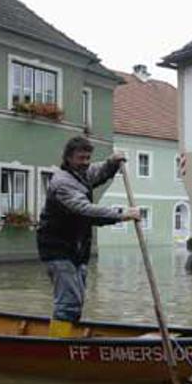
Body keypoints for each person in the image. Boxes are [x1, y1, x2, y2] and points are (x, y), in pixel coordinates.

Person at [36, 136, 141, 337]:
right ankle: (58, 346)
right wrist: (122, 215)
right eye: (80, 158)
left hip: (77, 249)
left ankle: (67, 336)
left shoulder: (81, 173)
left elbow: (98, 171)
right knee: (68, 301)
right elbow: (85, 210)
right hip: (57, 249)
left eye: (87, 158)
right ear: (68, 158)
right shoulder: (62, 183)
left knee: (77, 299)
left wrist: (112, 163)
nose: (85, 162)